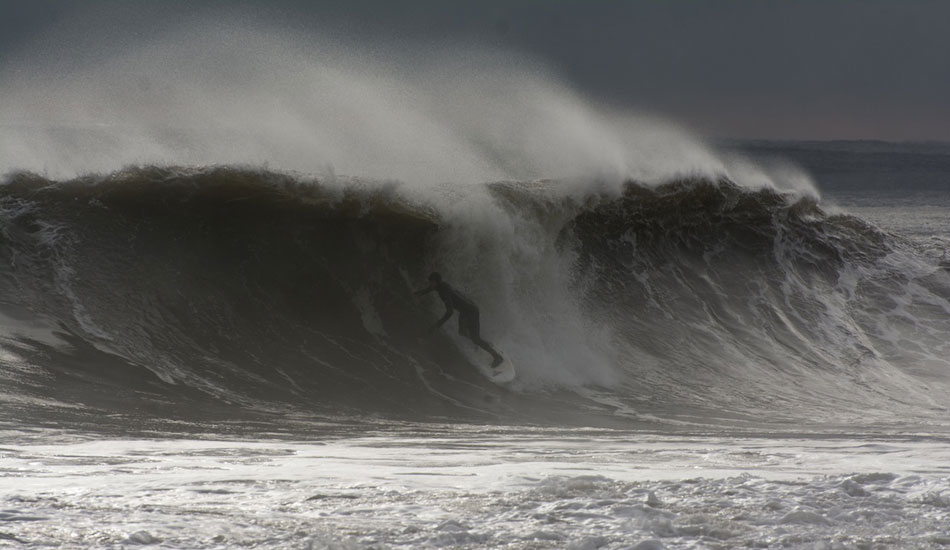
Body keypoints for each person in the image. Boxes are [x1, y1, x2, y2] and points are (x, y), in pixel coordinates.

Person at [415, 272, 504, 367]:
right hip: (465, 310)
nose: (430, 284)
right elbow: (429, 289)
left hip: (471, 311)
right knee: (462, 332)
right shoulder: (441, 285)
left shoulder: (443, 291)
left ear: (436, 282)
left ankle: (497, 357)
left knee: (476, 339)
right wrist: (417, 294)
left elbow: (450, 312)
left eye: (431, 282)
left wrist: (437, 325)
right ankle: (484, 343)